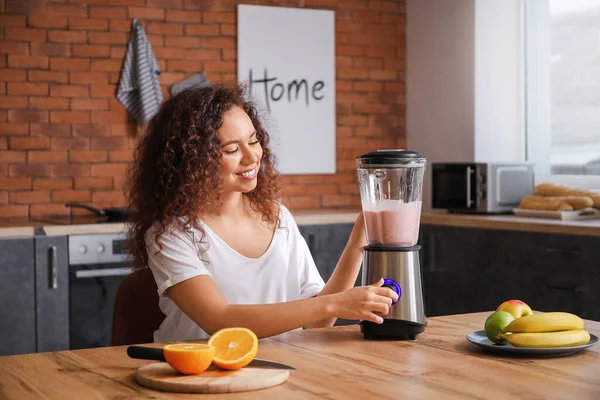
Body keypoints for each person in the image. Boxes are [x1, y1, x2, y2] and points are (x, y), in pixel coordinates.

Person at [126, 83, 398, 342]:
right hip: (201, 377)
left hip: (280, 371)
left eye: (254, 141)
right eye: (232, 149)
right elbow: (221, 320)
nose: (252, 156)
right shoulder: (169, 235)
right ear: (193, 160)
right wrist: (333, 304)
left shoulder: (277, 217)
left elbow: (317, 321)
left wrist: (357, 244)